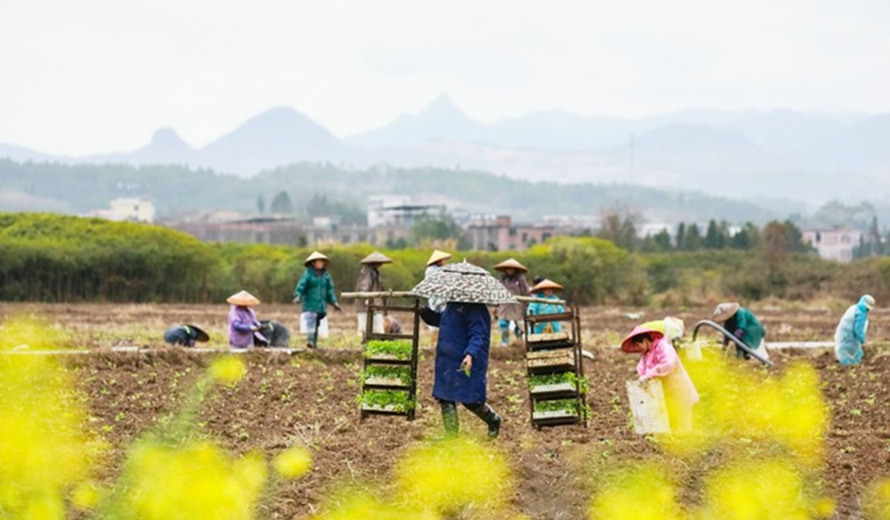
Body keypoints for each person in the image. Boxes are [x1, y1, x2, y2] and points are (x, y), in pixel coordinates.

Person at [412, 261, 515, 439]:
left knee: (470, 400)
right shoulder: (452, 303)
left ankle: (493, 420)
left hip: (465, 360)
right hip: (446, 360)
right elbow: (441, 321)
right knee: (445, 397)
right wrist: (424, 312)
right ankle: (451, 436)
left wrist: (470, 354)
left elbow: (479, 335)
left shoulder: (476, 309)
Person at [621, 324, 699, 432]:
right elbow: (641, 369)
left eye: (638, 345)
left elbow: (668, 364)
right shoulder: (646, 356)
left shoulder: (663, 347)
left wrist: (649, 375)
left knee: (682, 422)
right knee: (670, 423)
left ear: (644, 341)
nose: (638, 349)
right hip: (665, 392)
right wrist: (643, 378)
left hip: (678, 389)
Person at [293, 251, 340, 348]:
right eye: (318, 262)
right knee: (311, 321)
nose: (320, 264)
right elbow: (301, 285)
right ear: (313, 263)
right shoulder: (308, 274)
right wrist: (298, 295)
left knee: (316, 324)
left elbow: (330, 290)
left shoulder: (326, 276)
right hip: (310, 303)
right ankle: (310, 341)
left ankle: (314, 343)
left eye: (321, 262)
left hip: (321, 305)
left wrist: (334, 302)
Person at [493, 258, 531, 346]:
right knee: (503, 325)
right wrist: (495, 306)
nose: (510, 270)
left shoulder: (520, 280)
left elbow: (526, 293)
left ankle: (519, 344)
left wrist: (528, 305)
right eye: (508, 268)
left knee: (520, 327)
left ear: (515, 270)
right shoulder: (502, 280)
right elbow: (497, 293)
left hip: (517, 307)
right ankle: (504, 343)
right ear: (505, 269)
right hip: (504, 306)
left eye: (512, 269)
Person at [354, 251, 393, 338]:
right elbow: (364, 287)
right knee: (365, 328)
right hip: (366, 305)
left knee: (376, 328)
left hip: (374, 304)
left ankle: (374, 346)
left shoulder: (375, 272)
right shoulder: (367, 272)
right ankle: (365, 346)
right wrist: (367, 300)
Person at [835, 294, 875, 366]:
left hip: (842, 335)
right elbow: (858, 330)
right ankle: (851, 366)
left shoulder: (853, 308)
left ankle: (845, 366)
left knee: (843, 352)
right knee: (854, 354)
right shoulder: (861, 313)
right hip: (850, 337)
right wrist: (862, 341)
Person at [424, 250, 452, 346]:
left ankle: (436, 343)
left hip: (437, 299)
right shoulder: (433, 270)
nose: (445, 262)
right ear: (439, 260)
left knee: (438, 321)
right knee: (437, 321)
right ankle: (435, 344)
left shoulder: (433, 269)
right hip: (436, 299)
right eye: (444, 260)